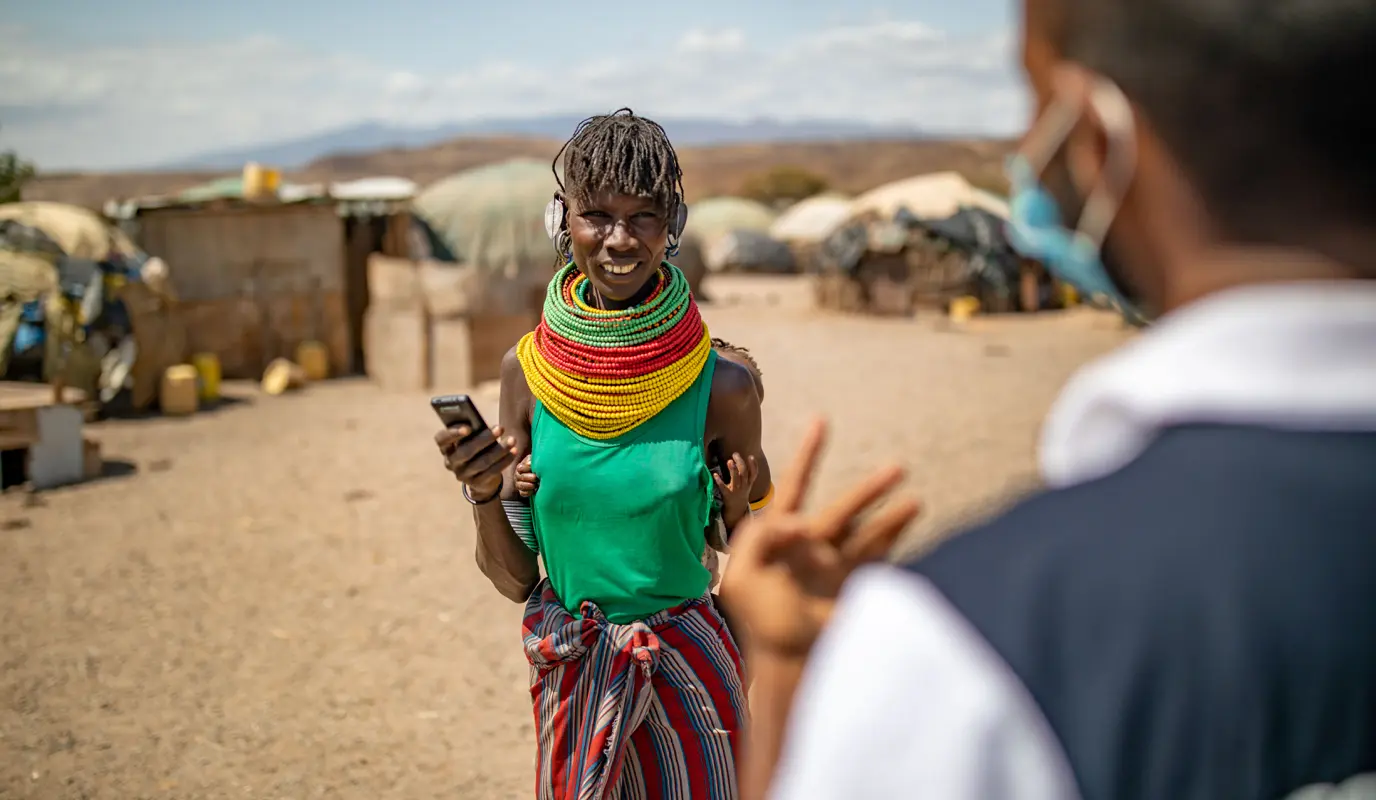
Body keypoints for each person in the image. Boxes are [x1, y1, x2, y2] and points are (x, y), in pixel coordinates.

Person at [719, 0, 1376, 797]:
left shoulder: (980, 645)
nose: (1031, 153)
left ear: (1100, 142)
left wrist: (785, 679)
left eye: (1040, 111)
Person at [435, 108, 773, 800]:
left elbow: (758, 555)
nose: (619, 240)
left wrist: (735, 521)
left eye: (644, 217)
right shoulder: (525, 373)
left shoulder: (725, 386)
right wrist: (482, 493)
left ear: (673, 224)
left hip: (694, 678)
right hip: (576, 671)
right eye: (597, 215)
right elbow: (515, 579)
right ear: (563, 223)